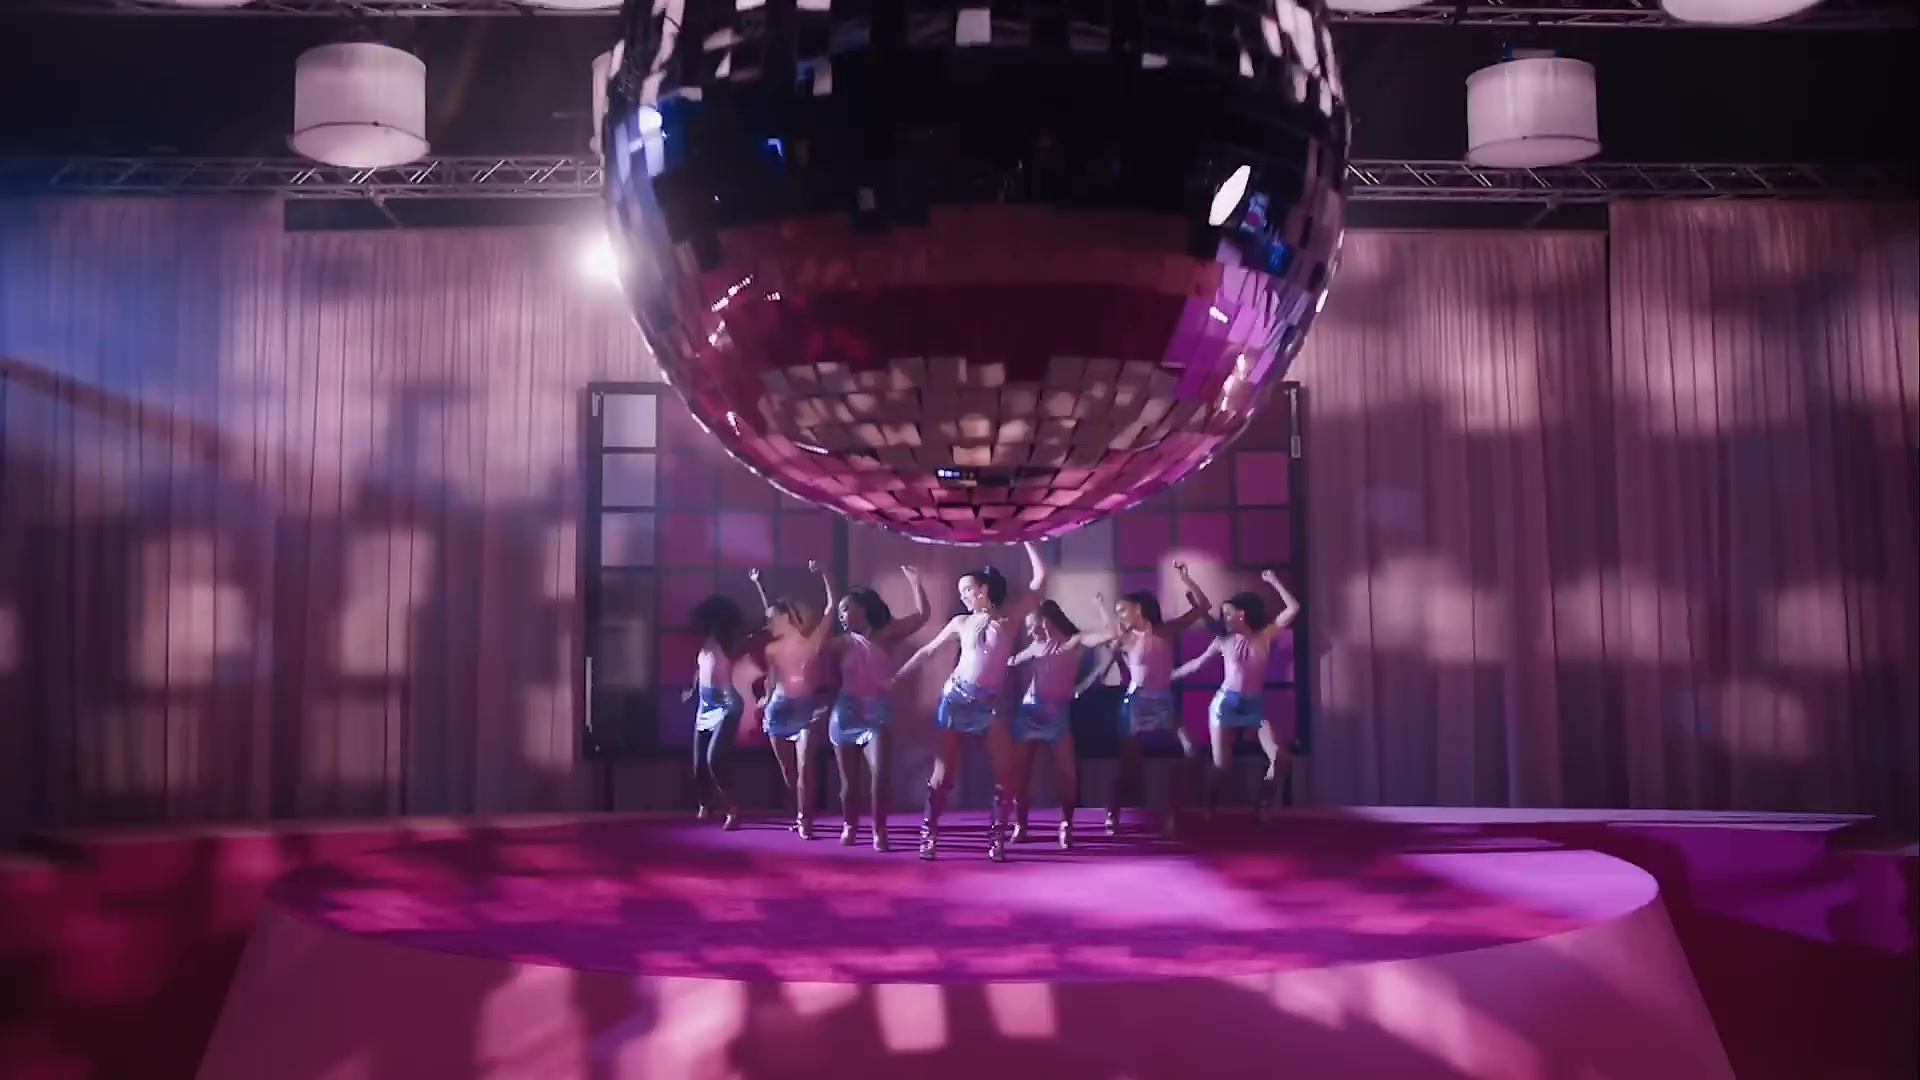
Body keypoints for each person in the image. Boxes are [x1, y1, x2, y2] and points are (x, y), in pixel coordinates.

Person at [889, 541, 1049, 862]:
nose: (963, 595)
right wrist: (895, 678)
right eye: (961, 591)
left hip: (989, 704)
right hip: (956, 699)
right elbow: (928, 651)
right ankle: (929, 834)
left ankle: (997, 838)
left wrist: (1028, 538)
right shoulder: (961, 622)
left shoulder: (1009, 617)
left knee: (1006, 773)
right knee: (944, 775)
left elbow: (1040, 580)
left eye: (967, 589)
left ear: (983, 590)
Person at [1083, 562, 1211, 838]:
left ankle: (1171, 812)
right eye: (1117, 612)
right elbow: (1103, 667)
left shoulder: (1165, 631)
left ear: (1139, 609)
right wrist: (1084, 687)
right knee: (1130, 768)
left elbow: (1204, 607)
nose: (1120, 616)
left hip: (1163, 700)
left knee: (1192, 752)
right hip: (1136, 702)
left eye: (1123, 611)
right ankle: (1112, 812)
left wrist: (1186, 579)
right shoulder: (1125, 639)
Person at [1171, 570, 1301, 820]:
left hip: (1253, 705)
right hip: (1225, 705)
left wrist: (1274, 581)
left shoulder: (1265, 634)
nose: (1225, 618)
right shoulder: (1224, 641)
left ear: (1242, 614)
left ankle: (1262, 804)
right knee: (1221, 766)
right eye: (1223, 615)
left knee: (1280, 757)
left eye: (1228, 613)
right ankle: (1209, 805)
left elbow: (1293, 608)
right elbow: (1197, 664)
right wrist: (1169, 675)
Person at [825, 565, 930, 851]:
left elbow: (922, 616)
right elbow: (812, 650)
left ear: (862, 608)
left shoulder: (886, 634)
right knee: (849, 783)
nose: (842, 616)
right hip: (845, 713)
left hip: (876, 713)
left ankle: (879, 829)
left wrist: (915, 583)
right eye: (840, 612)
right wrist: (827, 585)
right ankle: (850, 825)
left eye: (846, 609)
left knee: (880, 774)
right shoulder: (842, 643)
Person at [1007, 600, 1106, 849]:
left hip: (1057, 715)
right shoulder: (1035, 646)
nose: (1029, 632)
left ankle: (1066, 824)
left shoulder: (1074, 642)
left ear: (1045, 621)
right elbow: (1010, 661)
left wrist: (1100, 607)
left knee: (1066, 774)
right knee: (1020, 773)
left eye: (1031, 626)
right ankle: (1020, 824)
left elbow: (1111, 634)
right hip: (1030, 712)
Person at [751, 562, 836, 839]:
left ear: (788, 618)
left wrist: (825, 574)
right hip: (778, 709)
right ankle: (800, 811)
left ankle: (804, 819)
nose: (769, 624)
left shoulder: (812, 641)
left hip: (806, 709)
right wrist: (765, 700)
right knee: (789, 773)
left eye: (774, 619)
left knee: (805, 769)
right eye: (768, 620)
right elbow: (772, 678)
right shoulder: (772, 648)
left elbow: (831, 608)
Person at [683, 594, 749, 829]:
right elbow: (701, 670)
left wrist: (758, 587)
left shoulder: (728, 641)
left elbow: (743, 644)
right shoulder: (706, 642)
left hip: (726, 704)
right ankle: (706, 803)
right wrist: (692, 690)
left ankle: (733, 809)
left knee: (715, 758)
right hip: (705, 704)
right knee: (698, 764)